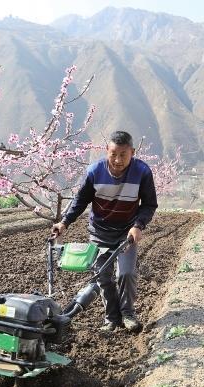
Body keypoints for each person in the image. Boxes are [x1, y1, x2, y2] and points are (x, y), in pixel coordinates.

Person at [52, 131, 158, 332]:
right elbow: (80, 201)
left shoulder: (142, 171)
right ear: (106, 151)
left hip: (126, 233)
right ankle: (112, 319)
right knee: (102, 276)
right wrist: (64, 222)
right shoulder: (94, 171)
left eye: (123, 155)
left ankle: (128, 314)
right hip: (99, 232)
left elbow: (149, 204)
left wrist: (138, 225)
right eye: (113, 154)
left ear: (132, 153)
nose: (118, 160)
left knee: (126, 273)